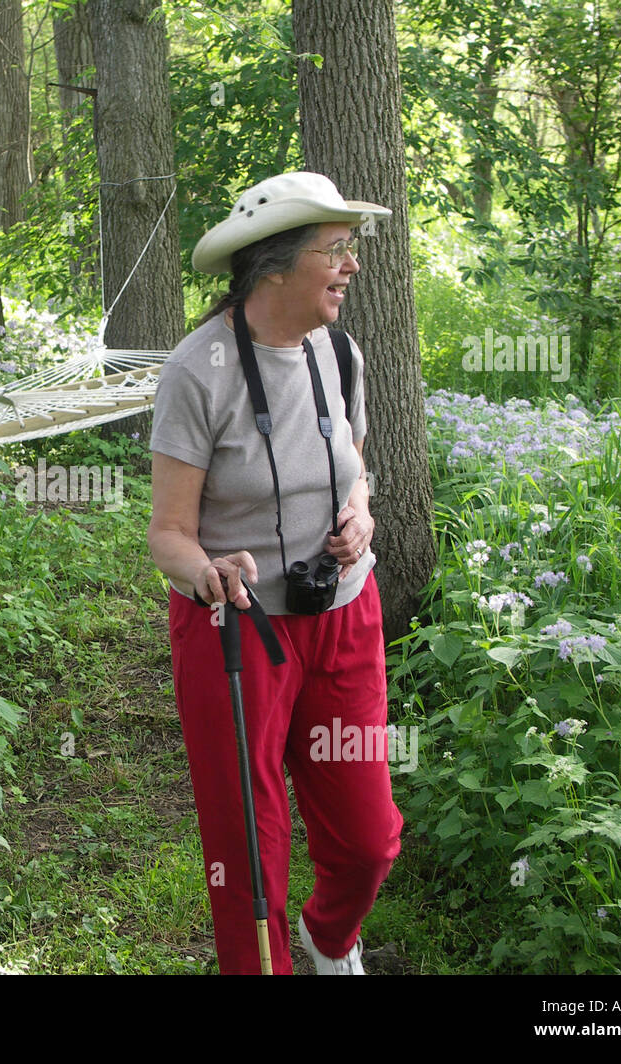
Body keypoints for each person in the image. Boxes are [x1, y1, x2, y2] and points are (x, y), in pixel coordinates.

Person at [147, 172, 404, 975]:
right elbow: (167, 535)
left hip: (344, 618)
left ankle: (330, 940)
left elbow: (352, 466)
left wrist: (360, 516)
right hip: (236, 629)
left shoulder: (342, 352)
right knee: (248, 857)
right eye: (335, 250)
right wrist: (209, 571)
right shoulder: (201, 370)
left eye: (350, 249)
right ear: (275, 267)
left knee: (369, 840)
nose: (351, 266)